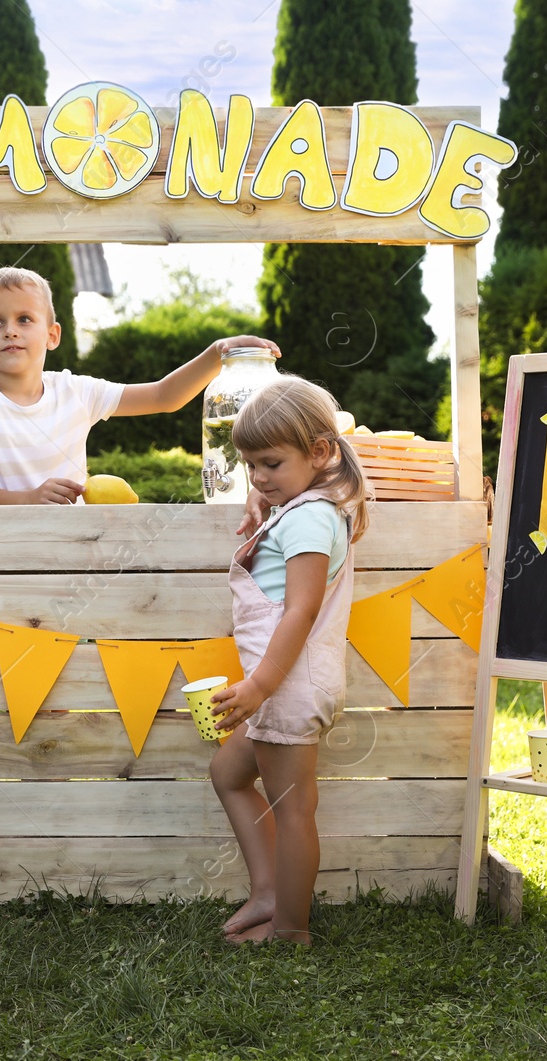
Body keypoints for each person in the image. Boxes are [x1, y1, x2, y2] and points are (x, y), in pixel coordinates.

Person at [207, 377, 370, 945]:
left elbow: (299, 611)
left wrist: (258, 686)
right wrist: (266, 500)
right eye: (249, 465)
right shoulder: (308, 507)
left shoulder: (306, 518)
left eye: (270, 464)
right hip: (282, 685)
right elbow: (284, 503)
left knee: (295, 808)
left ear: (320, 452)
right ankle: (270, 891)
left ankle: (290, 930)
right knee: (228, 773)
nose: (257, 477)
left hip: (285, 684)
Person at [0, 266, 278, 504]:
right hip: (1, 548)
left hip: (78, 545)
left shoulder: (77, 391)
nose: (10, 330)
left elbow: (164, 396)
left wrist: (217, 352)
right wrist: (30, 499)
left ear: (52, 335)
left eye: (24, 319)